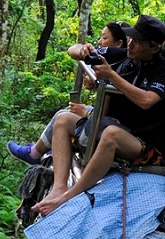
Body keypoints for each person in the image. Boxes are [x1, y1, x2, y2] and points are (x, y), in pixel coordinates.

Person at [32, 15, 165, 217]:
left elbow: (147, 101)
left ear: (155, 48)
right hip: (114, 125)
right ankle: (59, 187)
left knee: (112, 134)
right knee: (63, 119)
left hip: (146, 144)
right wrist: (82, 50)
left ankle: (70, 196)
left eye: (138, 43)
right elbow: (73, 51)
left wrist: (111, 76)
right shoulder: (123, 56)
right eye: (131, 38)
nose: (131, 45)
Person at [7, 22, 130, 163]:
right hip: (106, 118)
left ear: (119, 43)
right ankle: (36, 151)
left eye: (104, 38)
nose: (99, 42)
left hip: (111, 123)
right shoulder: (115, 62)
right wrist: (84, 50)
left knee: (64, 117)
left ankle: (36, 153)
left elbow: (108, 109)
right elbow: (73, 50)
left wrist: (86, 113)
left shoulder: (120, 61)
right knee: (64, 112)